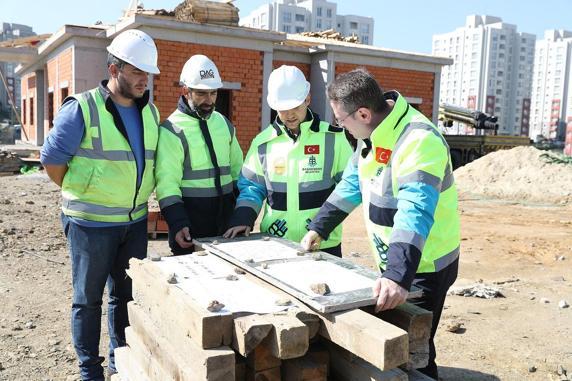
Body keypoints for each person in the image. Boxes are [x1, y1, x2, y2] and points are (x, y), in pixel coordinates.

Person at [301, 68, 460, 380]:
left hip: (424, 265)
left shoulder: (418, 141)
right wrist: (319, 227)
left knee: (414, 350)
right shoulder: (372, 134)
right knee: (397, 345)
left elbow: (414, 211)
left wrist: (398, 276)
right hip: (397, 262)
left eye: (339, 120)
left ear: (362, 113)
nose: (339, 126)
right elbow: (351, 185)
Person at [40, 29, 160, 380]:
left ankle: (118, 361)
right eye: (136, 71)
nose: (144, 79)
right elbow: (52, 163)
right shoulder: (82, 108)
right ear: (114, 69)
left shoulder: (149, 112)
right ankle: (89, 370)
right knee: (88, 300)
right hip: (89, 224)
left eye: (146, 72)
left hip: (134, 222)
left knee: (124, 296)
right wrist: (86, 190)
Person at [224, 65, 352, 256]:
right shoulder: (262, 143)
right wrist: (243, 218)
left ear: (307, 99)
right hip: (275, 243)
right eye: (283, 109)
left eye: (296, 107)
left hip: (323, 243)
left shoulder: (334, 139)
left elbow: (350, 186)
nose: (290, 115)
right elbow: (251, 188)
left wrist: (321, 227)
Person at [155, 55, 243, 255]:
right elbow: (167, 183)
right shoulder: (172, 130)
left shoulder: (223, 123)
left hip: (227, 223)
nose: (209, 100)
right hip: (190, 224)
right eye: (202, 94)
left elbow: (239, 172)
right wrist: (177, 222)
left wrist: (241, 214)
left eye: (213, 93)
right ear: (185, 90)